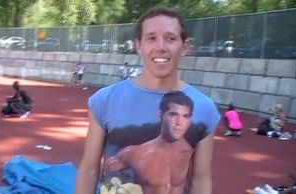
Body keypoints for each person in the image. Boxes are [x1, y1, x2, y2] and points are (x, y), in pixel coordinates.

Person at [75, 6, 220, 194]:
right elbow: (89, 169)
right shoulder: (105, 100)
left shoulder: (205, 108)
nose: (161, 47)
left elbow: (200, 180)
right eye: (151, 38)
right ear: (139, 45)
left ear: (184, 47)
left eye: (171, 38)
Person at [106, 92, 194, 194]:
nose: (179, 122)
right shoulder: (136, 153)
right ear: (161, 115)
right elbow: (104, 176)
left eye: (185, 116)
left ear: (189, 121)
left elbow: (197, 185)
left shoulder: (191, 154)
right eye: (173, 114)